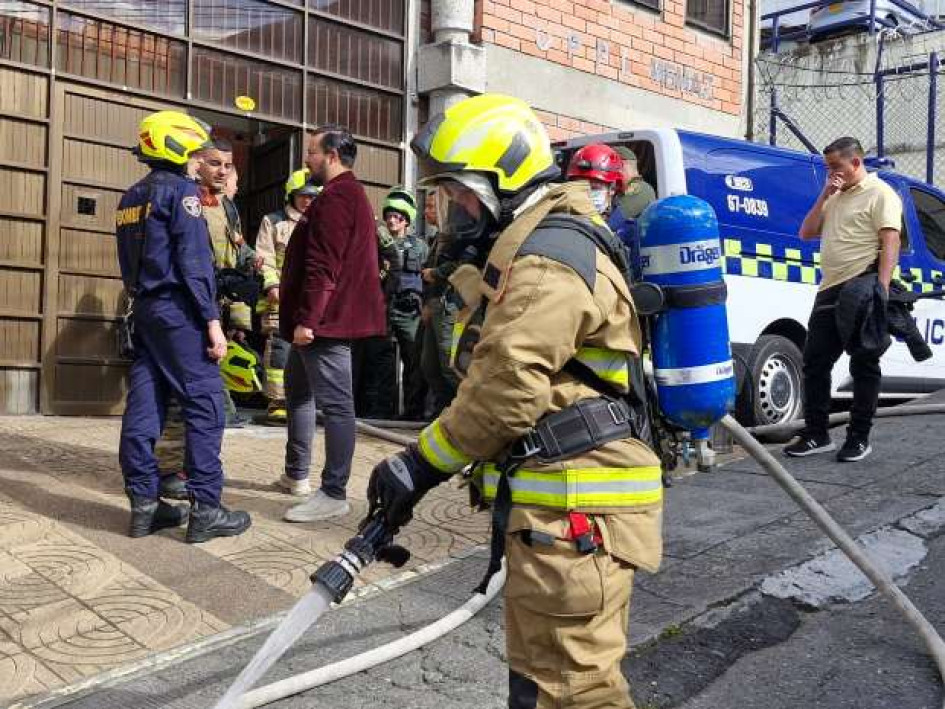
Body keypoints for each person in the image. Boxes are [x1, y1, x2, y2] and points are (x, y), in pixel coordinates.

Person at [367, 94, 664, 709]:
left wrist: (417, 466)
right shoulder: (536, 245)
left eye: (461, 197)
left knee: (575, 692)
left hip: (578, 513)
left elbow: (506, 388)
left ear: (502, 183)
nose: (454, 213)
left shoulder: (547, 259)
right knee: (541, 684)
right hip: (564, 513)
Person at [116, 110, 251, 543]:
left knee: (144, 408)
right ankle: (207, 510)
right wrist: (213, 323)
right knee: (206, 406)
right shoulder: (183, 194)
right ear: (175, 148)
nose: (198, 160)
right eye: (194, 152)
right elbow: (194, 266)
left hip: (144, 313)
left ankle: (144, 506)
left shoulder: (129, 198)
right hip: (178, 313)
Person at [279, 124, 387, 519]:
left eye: (311, 152)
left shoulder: (339, 198)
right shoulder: (341, 195)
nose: (306, 159)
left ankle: (334, 493)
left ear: (332, 156)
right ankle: (296, 474)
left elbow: (324, 265)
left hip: (324, 323)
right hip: (318, 320)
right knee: (298, 390)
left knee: (338, 406)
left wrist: (309, 319)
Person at [784, 137, 902, 463]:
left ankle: (859, 437)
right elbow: (806, 233)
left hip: (862, 285)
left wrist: (881, 287)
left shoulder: (880, 193)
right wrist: (826, 193)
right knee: (815, 363)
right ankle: (817, 434)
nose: (832, 173)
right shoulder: (835, 197)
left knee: (864, 362)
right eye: (827, 168)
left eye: (837, 167)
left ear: (855, 162)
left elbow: (890, 238)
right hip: (829, 289)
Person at [255, 169, 321, 427]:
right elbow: (265, 257)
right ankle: (278, 402)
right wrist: (271, 285)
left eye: (312, 196)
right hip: (279, 298)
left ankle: (306, 402)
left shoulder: (322, 222)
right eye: (302, 196)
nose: (307, 201)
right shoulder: (274, 222)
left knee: (311, 349)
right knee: (280, 350)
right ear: (291, 196)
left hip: (310, 299)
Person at [382, 187, 429, 420]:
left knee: (414, 363)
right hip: (384, 310)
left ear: (406, 220)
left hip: (410, 312)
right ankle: (384, 411)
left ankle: (413, 413)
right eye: (389, 215)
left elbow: (429, 278)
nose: (392, 220)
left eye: (398, 216)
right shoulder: (378, 244)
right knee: (384, 364)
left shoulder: (420, 247)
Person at [565, 143, 625, 219]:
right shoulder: (557, 218)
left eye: (593, 188)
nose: (585, 195)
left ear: (613, 188)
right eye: (578, 187)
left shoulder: (622, 228)